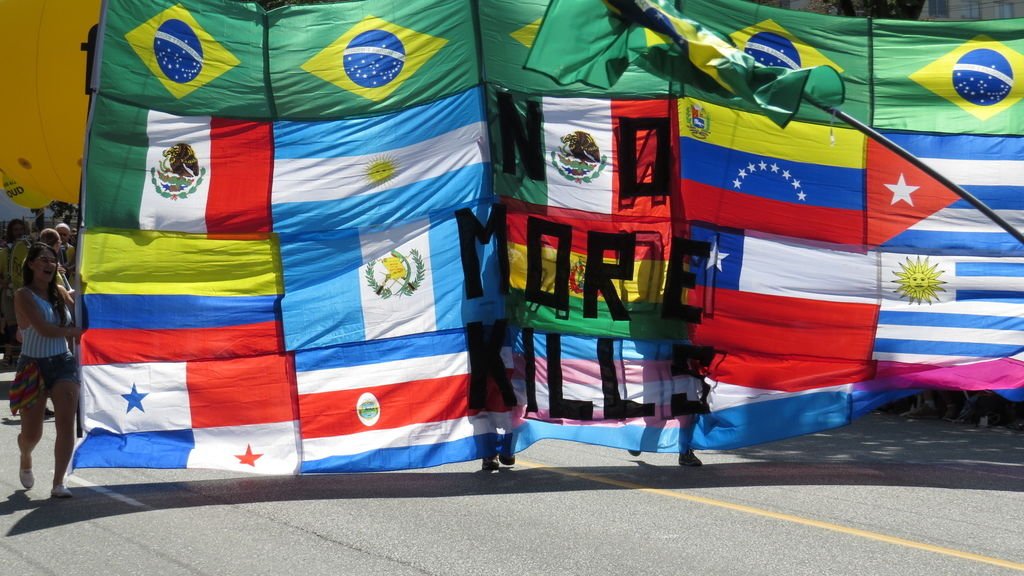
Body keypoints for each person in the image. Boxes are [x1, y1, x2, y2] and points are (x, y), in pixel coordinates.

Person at [14, 242, 82, 498]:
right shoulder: (23, 295)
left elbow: (78, 315)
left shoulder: (61, 292)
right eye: (43, 259)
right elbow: (44, 329)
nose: (49, 264)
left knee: (66, 423)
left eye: (52, 260)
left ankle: (58, 482)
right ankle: (25, 454)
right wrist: (73, 332)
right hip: (32, 366)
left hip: (63, 363)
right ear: (31, 264)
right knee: (32, 433)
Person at [0, 219, 30, 365]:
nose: (19, 232)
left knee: (25, 324)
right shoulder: (4, 251)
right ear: (10, 232)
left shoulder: (30, 250)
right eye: (15, 229)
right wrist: (3, 282)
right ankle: (11, 354)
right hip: (9, 294)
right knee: (11, 325)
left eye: (21, 229)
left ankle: (26, 355)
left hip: (26, 294)